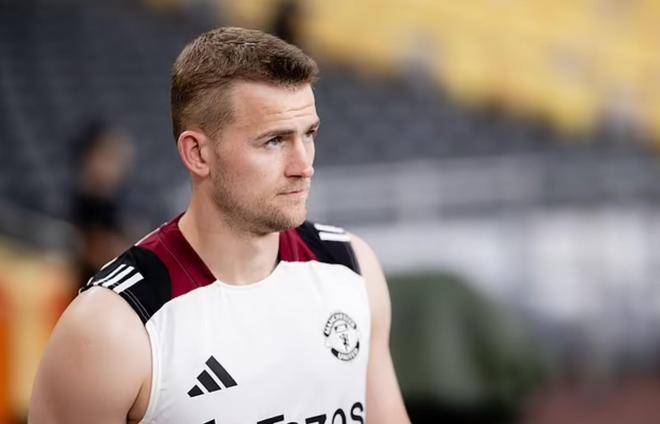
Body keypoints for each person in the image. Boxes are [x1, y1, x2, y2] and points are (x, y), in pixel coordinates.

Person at [29, 27, 410, 424]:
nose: (304, 166)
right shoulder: (109, 329)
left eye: (309, 134)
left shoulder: (352, 267)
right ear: (198, 153)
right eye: (275, 141)